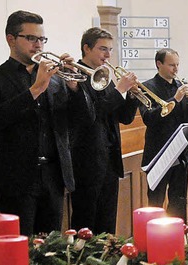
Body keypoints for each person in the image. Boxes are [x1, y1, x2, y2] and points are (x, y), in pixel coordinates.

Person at [0, 10, 93, 235]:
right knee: (19, 251)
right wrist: (35, 89)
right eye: (31, 38)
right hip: (15, 179)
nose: (38, 45)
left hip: (53, 176)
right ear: (11, 39)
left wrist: (75, 87)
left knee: (51, 249)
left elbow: (85, 118)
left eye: (42, 39)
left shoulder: (57, 79)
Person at [69, 27, 140, 234]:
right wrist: (120, 90)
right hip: (87, 162)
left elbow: (124, 118)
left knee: (107, 222)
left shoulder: (103, 77)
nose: (108, 55)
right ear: (86, 48)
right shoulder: (77, 77)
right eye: (102, 49)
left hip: (109, 160)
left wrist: (133, 96)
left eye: (110, 49)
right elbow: (92, 113)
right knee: (86, 222)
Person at [140, 48, 188, 221]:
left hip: (181, 152)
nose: (176, 69)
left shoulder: (181, 86)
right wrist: (175, 100)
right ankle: (153, 242)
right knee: (156, 200)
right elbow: (149, 118)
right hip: (158, 153)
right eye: (171, 65)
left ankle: (179, 238)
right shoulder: (147, 87)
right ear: (159, 64)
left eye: (177, 64)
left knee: (178, 200)